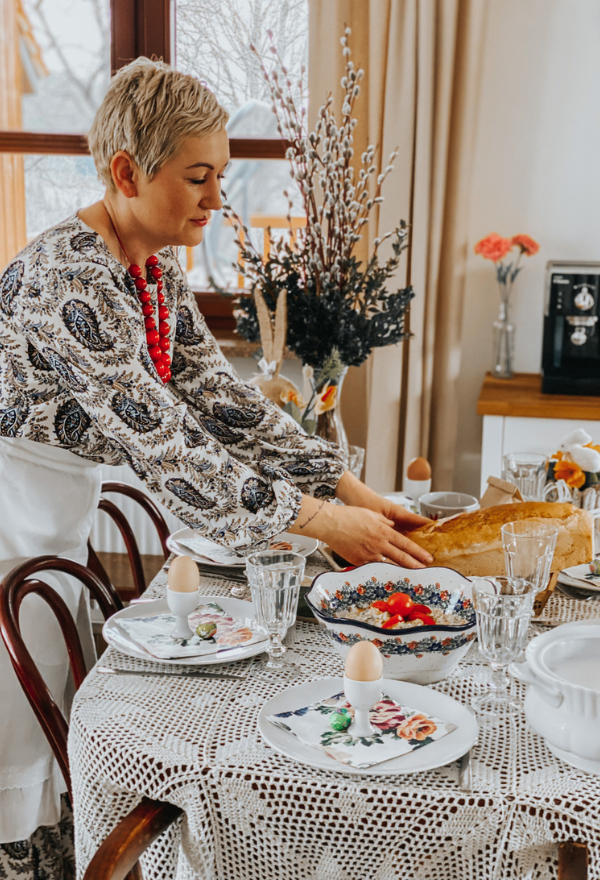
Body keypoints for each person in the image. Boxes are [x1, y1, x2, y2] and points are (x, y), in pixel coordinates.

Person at [0, 57, 431, 842]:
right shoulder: (67, 278)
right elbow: (168, 448)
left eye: (222, 173)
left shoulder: (149, 263)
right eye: (198, 176)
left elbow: (220, 401)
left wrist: (350, 489)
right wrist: (327, 524)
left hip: (52, 502)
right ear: (127, 171)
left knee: (48, 706)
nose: (217, 196)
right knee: (14, 737)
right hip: (8, 511)